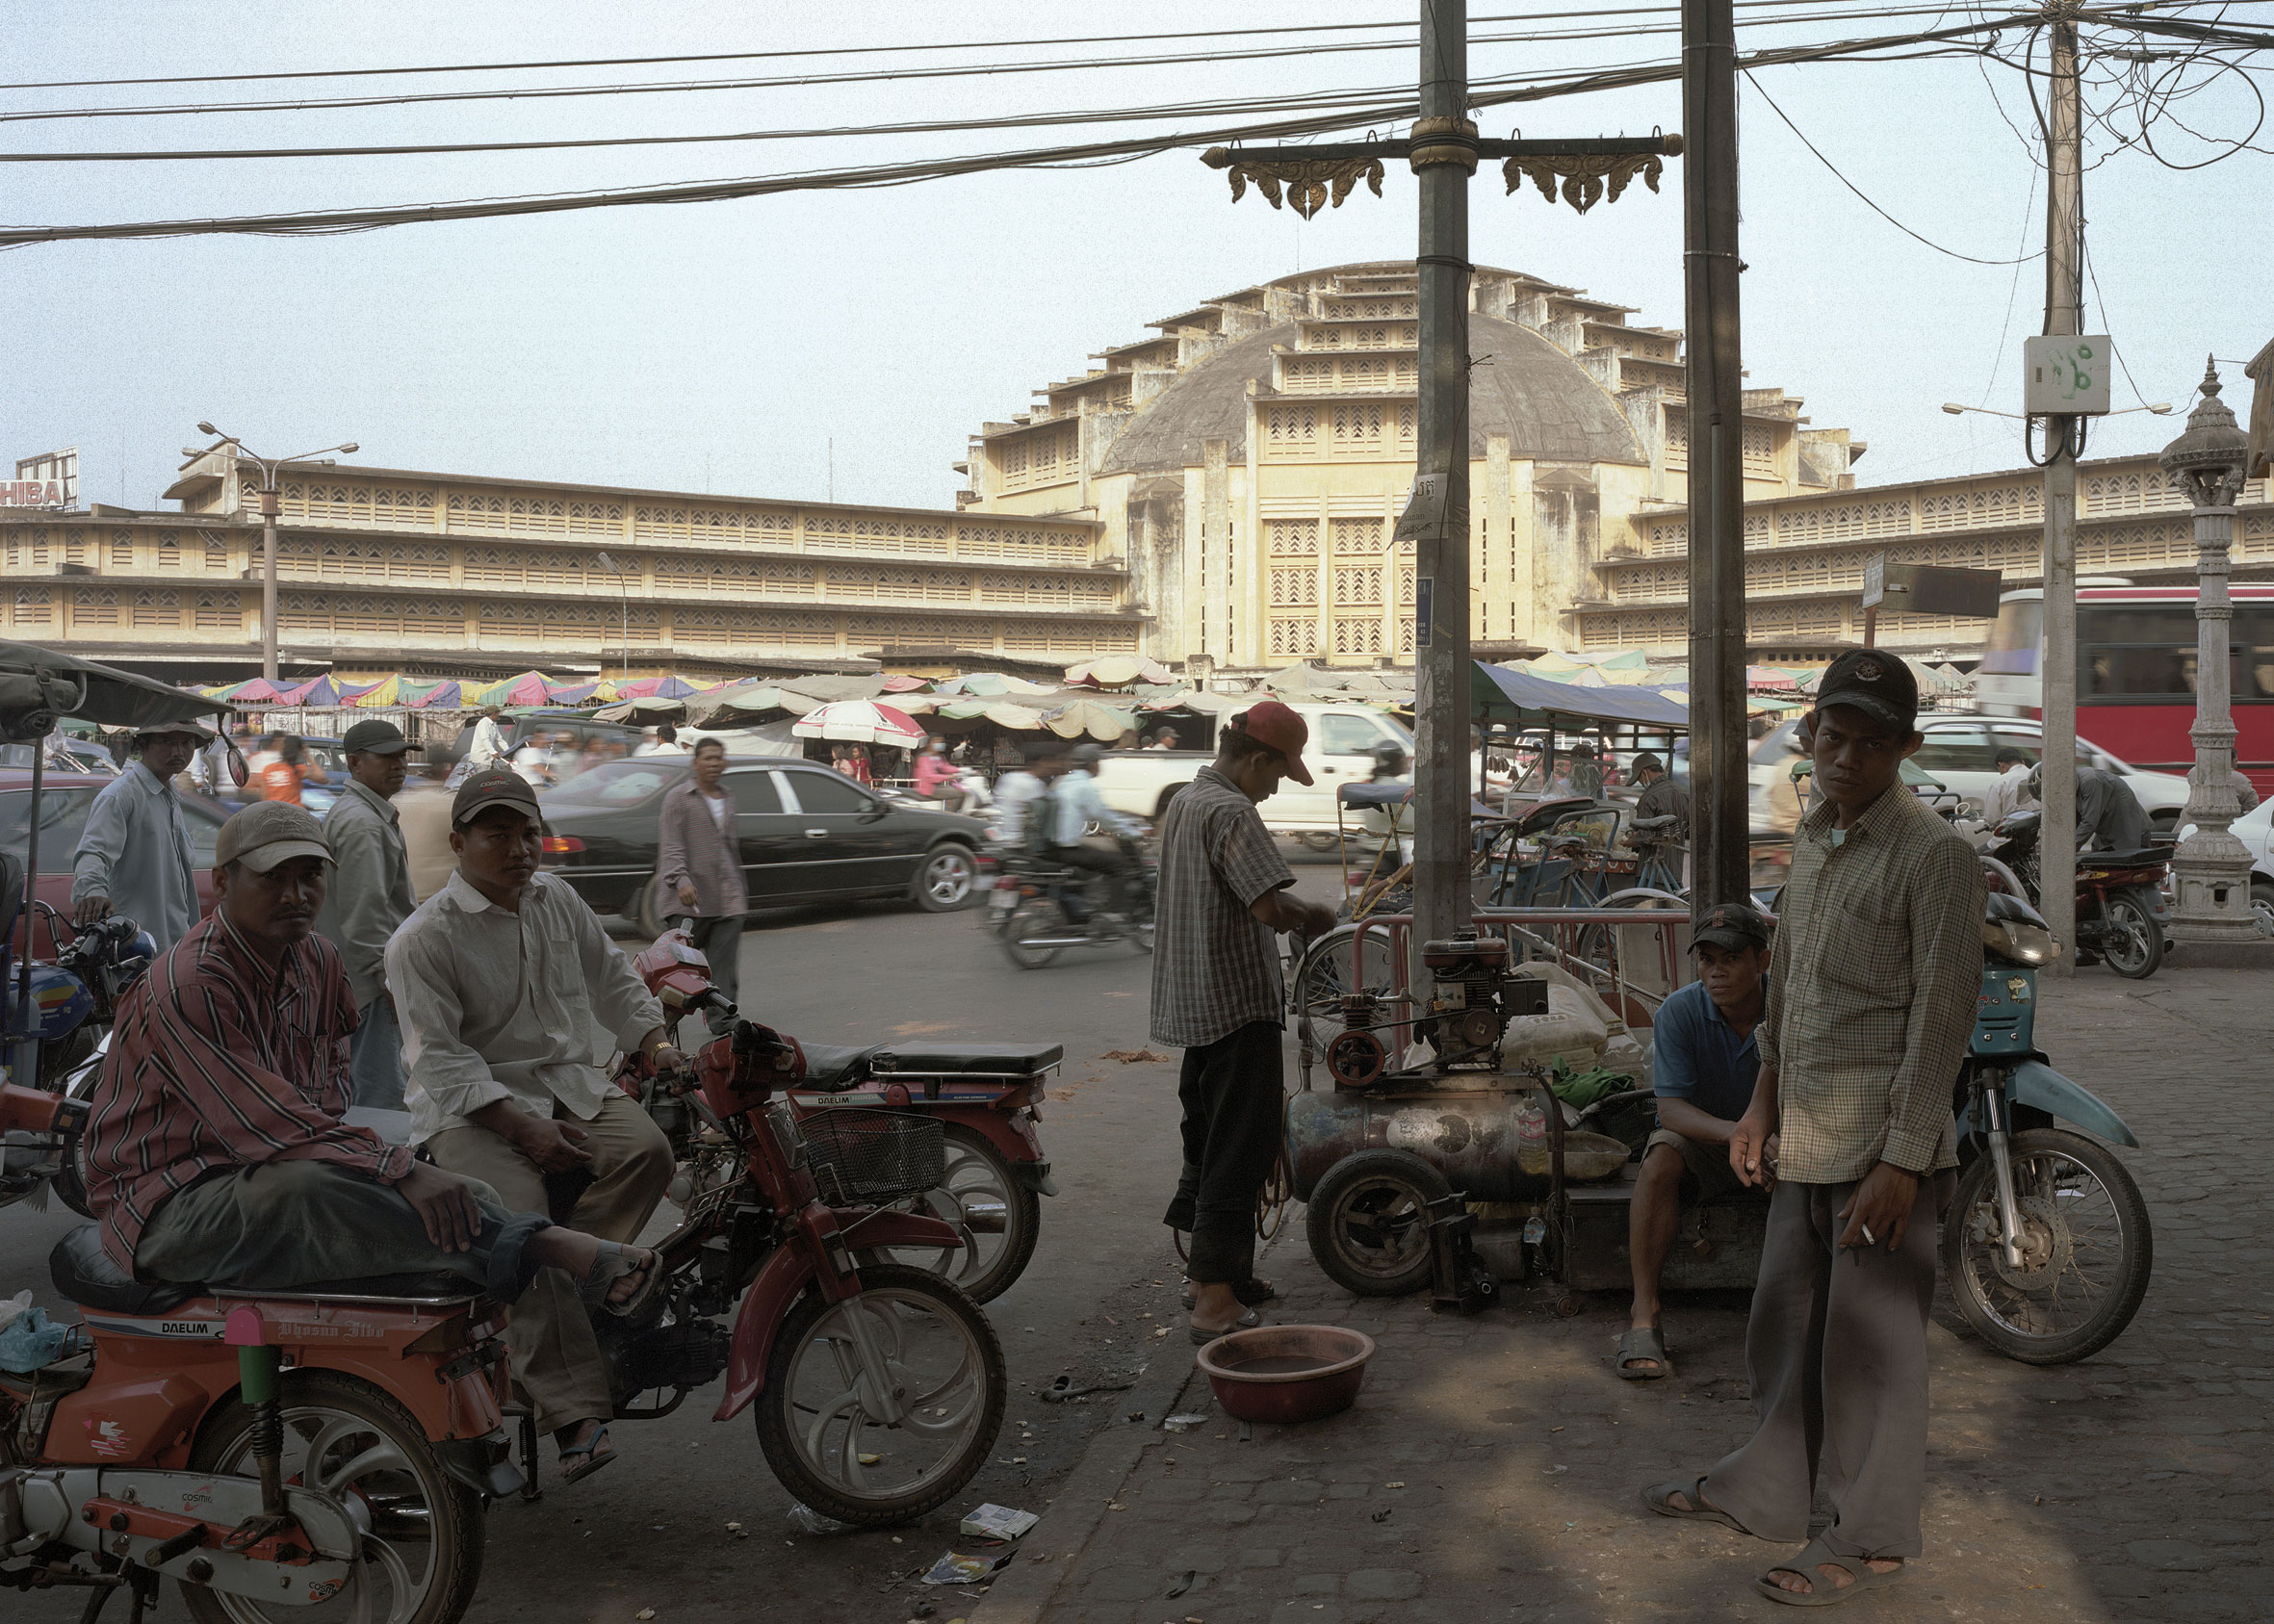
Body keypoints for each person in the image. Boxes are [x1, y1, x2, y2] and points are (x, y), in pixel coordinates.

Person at [1645, 647, 1982, 1605]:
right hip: (1804, 1135)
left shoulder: (1933, 855)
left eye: (1870, 744)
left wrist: (1903, 1160)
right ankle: (1769, 1487)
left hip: (1881, 1149)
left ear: (1906, 748)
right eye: (1832, 737)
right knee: (1784, 1328)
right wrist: (1758, 1104)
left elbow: (1938, 1023)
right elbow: (1788, 993)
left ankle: (1870, 1536)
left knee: (1871, 1353)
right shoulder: (1819, 839)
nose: (1845, 758)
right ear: (1810, 734)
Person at [81, 802, 657, 1349]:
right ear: (224, 882)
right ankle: (552, 1250)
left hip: (268, 1162)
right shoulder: (192, 985)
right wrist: (395, 1170)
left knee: (456, 1189)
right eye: (273, 878)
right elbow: (270, 1127)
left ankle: (534, 1308)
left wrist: (378, 1167)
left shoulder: (318, 959)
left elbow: (324, 1097)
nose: (295, 895)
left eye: (310, 876)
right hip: (171, 1201)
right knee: (328, 1186)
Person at [386, 768, 681, 1482]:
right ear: (459, 842)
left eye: (527, 832)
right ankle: (575, 1410)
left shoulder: (558, 898)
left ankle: (575, 1290)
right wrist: (524, 1132)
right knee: (521, 1224)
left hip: (567, 1087)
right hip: (475, 1108)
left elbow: (612, 975)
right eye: (497, 834)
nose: (519, 848)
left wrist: (655, 1042)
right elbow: (446, 1064)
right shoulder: (422, 938)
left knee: (649, 1150)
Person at [1151, 703, 1336, 1343]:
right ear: (1256, 758)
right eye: (1279, 775)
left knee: (1209, 1144)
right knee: (1241, 1148)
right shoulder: (1232, 810)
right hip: (1235, 1007)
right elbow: (1267, 905)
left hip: (1196, 1005)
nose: (1276, 787)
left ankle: (1215, 1276)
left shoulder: (1186, 799)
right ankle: (1215, 1302)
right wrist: (1315, 914)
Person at [1619, 903, 1772, 1380]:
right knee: (1659, 1160)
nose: (1717, 971)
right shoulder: (1679, 1012)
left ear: (1762, 961)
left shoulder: (1789, 1009)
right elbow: (1671, 1109)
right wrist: (1736, 1133)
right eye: (1707, 959)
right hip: (1709, 1138)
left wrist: (1766, 1137)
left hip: (1778, 1138)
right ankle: (1644, 1314)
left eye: (1730, 958)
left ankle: (1801, 1314)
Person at [315, 719, 420, 1110]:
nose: (399, 765)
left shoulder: (369, 814)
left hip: (362, 981)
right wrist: (388, 983)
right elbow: (365, 918)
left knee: (366, 1084)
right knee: (380, 1094)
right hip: (369, 986)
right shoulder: (362, 823)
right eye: (386, 757)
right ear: (356, 763)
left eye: (402, 756)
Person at [70, 720, 207, 953]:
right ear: (143, 745)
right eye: (166, 741)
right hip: (136, 947)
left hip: (173, 943)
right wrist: (92, 891)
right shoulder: (121, 796)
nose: (178, 751)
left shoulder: (170, 796)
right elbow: (93, 853)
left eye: (186, 742)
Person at [656, 738, 746, 1036]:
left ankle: (723, 1024)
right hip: (689, 899)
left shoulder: (729, 797)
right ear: (695, 763)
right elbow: (671, 846)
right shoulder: (678, 799)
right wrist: (681, 879)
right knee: (678, 973)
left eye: (719, 758)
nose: (714, 763)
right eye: (707, 758)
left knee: (724, 971)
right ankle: (658, 1027)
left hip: (728, 898)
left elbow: (729, 847)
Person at [1048, 742, 1145, 918]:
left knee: (1099, 855)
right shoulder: (1086, 787)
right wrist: (1134, 833)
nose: (1100, 765)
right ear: (1092, 763)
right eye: (1099, 762)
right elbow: (1104, 818)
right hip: (1068, 848)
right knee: (1120, 865)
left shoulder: (1063, 782)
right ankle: (1113, 914)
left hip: (1056, 845)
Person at [2043, 761, 2153, 853]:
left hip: (2128, 833)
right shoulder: (2074, 788)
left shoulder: (2090, 781)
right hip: (2108, 834)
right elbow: (2075, 822)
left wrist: (2067, 850)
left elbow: (2089, 821)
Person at [992, 738, 1068, 848]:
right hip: (1018, 844)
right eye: (1055, 760)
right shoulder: (1034, 785)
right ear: (1043, 761)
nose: (1059, 765)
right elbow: (1045, 822)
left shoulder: (1007, 778)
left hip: (1002, 839)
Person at [1630, 752, 1689, 836]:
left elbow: (1644, 837)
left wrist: (1630, 841)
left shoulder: (1648, 798)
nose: (1641, 782)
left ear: (1644, 773)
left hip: (1657, 849)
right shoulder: (1682, 791)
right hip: (1680, 848)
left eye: (1639, 778)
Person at [258, 734, 326, 805]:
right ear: (298, 751)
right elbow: (323, 779)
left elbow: (264, 799)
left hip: (274, 812)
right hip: (294, 812)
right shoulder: (298, 769)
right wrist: (308, 755)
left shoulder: (267, 769)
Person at [1980, 746, 2036, 828]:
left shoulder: (1999, 783)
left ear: (2001, 765)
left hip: (2009, 837)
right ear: (2023, 762)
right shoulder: (2039, 778)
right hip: (2037, 835)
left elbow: (1991, 819)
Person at [913, 737, 959, 806]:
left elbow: (945, 767)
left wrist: (961, 770)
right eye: (937, 741)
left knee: (960, 791)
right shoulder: (923, 758)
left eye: (941, 742)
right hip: (928, 790)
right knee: (958, 792)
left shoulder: (938, 757)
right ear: (929, 744)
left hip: (936, 787)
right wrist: (948, 776)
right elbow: (929, 776)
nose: (940, 744)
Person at [466, 706, 509, 770]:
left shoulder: (493, 724)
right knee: (483, 778)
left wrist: (508, 751)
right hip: (481, 759)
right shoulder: (483, 723)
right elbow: (485, 739)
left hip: (489, 759)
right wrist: (493, 752)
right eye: (498, 714)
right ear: (494, 713)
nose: (498, 716)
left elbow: (500, 739)